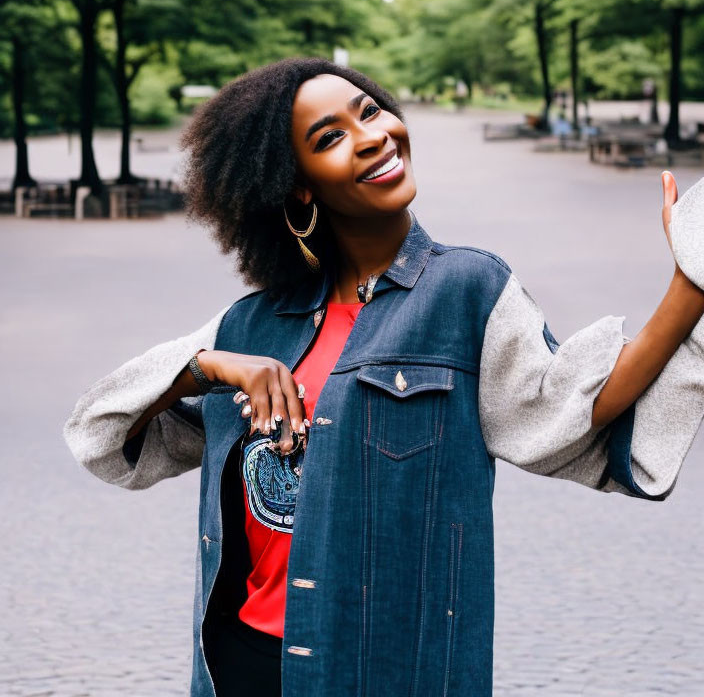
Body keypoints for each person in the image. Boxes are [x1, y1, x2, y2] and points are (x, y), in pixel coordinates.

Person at [63, 57, 704, 697]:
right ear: (298, 187)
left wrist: (688, 284)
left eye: (368, 112)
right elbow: (100, 432)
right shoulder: (251, 326)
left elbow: (569, 410)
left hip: (391, 667)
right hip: (244, 664)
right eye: (330, 137)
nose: (372, 136)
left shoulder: (467, 291)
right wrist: (206, 366)